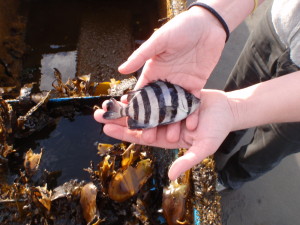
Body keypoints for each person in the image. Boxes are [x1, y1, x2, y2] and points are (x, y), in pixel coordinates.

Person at [94, 0, 300, 190]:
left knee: (268, 147)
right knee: (239, 89)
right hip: (279, 23)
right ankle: (223, 143)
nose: (195, 103)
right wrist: (214, 15)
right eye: (191, 101)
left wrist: (235, 110)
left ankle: (230, 178)